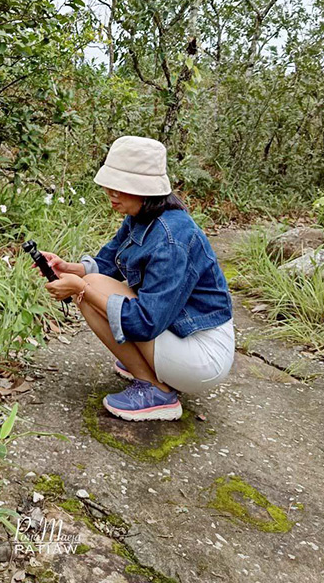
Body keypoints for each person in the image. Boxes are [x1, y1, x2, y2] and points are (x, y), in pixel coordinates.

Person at [41, 135, 234, 422]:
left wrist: (81, 287)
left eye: (122, 186)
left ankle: (156, 391)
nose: (112, 193)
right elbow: (108, 262)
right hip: (177, 327)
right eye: (112, 184)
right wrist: (69, 268)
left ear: (146, 188)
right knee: (91, 287)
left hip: (202, 355)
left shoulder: (173, 239)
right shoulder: (141, 214)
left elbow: (145, 322)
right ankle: (148, 366)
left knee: (89, 293)